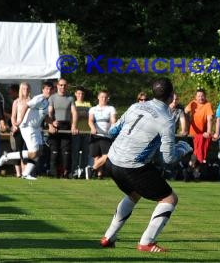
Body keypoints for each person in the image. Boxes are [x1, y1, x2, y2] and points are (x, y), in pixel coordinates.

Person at [100, 78, 192, 253]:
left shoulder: (136, 106)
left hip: (111, 161)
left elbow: (112, 131)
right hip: (132, 166)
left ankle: (108, 237)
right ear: (172, 96)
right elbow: (168, 158)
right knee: (169, 199)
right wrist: (183, 148)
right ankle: (146, 242)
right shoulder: (166, 120)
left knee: (134, 193)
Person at [0, 81, 54, 180]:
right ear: (43, 90)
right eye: (46, 89)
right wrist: (19, 121)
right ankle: (7, 156)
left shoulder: (46, 101)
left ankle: (26, 173)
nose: (48, 91)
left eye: (50, 89)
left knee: (40, 151)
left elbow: (44, 116)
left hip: (36, 128)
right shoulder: (39, 98)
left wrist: (52, 123)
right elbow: (25, 106)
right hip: (28, 127)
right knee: (33, 153)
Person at [48, 78, 79, 178]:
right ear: (57, 86)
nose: (63, 87)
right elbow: (49, 112)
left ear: (67, 86)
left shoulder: (70, 98)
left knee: (66, 152)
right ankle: (54, 173)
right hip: (55, 126)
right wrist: (51, 123)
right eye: (61, 85)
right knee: (54, 152)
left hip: (66, 125)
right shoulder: (52, 98)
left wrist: (74, 125)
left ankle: (66, 173)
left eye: (65, 85)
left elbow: (74, 112)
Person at [184, 88, 213, 176]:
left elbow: (210, 119)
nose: (201, 98)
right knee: (194, 153)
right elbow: (185, 111)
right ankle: (191, 170)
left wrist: (208, 132)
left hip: (202, 135)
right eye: (199, 96)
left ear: (205, 96)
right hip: (192, 134)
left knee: (199, 153)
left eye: (202, 96)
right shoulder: (193, 103)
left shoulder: (208, 105)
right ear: (196, 97)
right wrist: (187, 122)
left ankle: (193, 171)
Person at [88, 90, 117, 178]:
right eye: (102, 97)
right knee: (96, 156)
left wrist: (112, 129)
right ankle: (99, 175)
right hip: (95, 135)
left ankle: (92, 168)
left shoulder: (111, 108)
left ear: (107, 98)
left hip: (106, 136)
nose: (103, 99)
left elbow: (113, 120)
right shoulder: (93, 109)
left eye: (105, 97)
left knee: (106, 155)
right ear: (98, 97)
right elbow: (90, 120)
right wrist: (93, 128)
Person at [72, 86, 92, 179]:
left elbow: (90, 116)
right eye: (79, 93)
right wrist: (82, 114)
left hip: (86, 132)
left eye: (82, 94)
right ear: (75, 94)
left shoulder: (88, 104)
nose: (80, 95)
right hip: (76, 132)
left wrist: (79, 114)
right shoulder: (73, 103)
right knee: (75, 153)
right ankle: (75, 172)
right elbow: (73, 116)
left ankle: (84, 172)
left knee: (85, 153)